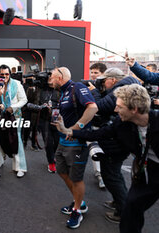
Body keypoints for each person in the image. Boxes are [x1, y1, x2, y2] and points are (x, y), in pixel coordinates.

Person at [54, 84, 159, 233]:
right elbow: (99, 134)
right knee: (131, 208)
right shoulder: (121, 123)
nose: (115, 110)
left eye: (119, 107)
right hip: (149, 171)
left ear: (134, 109)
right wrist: (70, 131)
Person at [48, 67, 98, 229]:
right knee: (62, 172)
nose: (50, 80)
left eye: (52, 77)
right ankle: (79, 202)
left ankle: (77, 210)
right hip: (63, 141)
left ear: (60, 77)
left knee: (76, 178)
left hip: (77, 143)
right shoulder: (62, 92)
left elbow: (92, 107)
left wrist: (76, 127)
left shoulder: (78, 87)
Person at [88, 67, 140, 223]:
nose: (103, 83)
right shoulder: (126, 88)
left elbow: (99, 106)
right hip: (119, 140)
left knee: (111, 176)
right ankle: (119, 202)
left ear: (113, 80)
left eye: (104, 80)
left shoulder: (120, 90)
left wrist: (95, 91)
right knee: (114, 175)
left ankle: (123, 212)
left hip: (116, 142)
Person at [0, 64, 28, 178]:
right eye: (2, 74)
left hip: (14, 116)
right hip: (0, 117)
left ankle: (20, 167)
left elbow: (24, 100)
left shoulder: (17, 84)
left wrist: (13, 107)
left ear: (10, 74)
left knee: (16, 139)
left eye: (6, 74)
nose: (4, 76)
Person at [88, 62, 107, 188]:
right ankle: (99, 175)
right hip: (92, 123)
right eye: (92, 72)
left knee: (104, 151)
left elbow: (103, 105)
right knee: (94, 149)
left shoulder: (108, 88)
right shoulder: (87, 85)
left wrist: (95, 92)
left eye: (96, 73)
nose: (93, 75)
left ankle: (104, 174)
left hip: (105, 124)